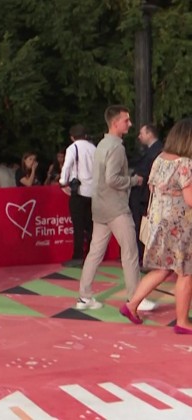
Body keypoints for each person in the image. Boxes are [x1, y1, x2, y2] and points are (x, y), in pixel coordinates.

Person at [76, 105, 155, 311]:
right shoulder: (117, 148)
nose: (130, 123)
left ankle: (84, 297)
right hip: (116, 208)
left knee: (95, 252)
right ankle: (135, 298)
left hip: (100, 207)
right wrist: (134, 181)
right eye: (126, 120)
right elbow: (112, 179)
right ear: (115, 123)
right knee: (130, 252)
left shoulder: (102, 145)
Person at [121, 119, 192, 333]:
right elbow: (190, 199)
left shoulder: (159, 159)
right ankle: (182, 322)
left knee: (163, 268)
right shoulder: (185, 164)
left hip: (159, 224)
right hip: (180, 227)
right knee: (186, 272)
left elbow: (152, 188)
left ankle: (131, 305)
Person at [59, 124, 96, 268]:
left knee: (78, 226)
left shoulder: (73, 148)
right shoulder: (93, 148)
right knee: (91, 225)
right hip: (93, 192)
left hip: (79, 191)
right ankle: (92, 255)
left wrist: (63, 182)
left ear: (72, 137)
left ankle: (78, 256)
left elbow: (67, 166)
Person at [130, 124, 163, 266]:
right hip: (144, 194)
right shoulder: (152, 150)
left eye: (141, 133)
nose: (139, 136)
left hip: (144, 195)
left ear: (149, 134)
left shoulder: (155, 152)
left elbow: (144, 172)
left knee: (141, 225)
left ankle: (143, 256)